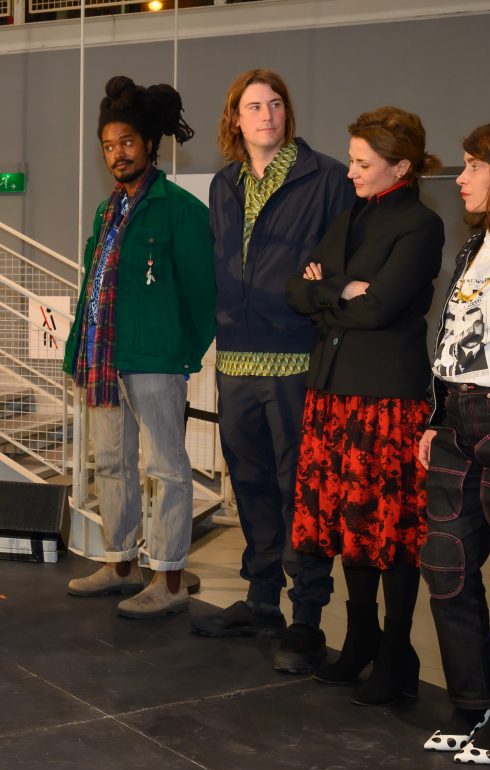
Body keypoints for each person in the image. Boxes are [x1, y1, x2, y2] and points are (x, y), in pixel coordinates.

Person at [189, 69, 355, 674]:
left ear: (287, 114)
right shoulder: (223, 183)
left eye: (276, 104)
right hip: (234, 360)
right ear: (236, 119)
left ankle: (307, 619)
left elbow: (346, 264)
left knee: (301, 495)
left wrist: (323, 288)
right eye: (254, 106)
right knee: (251, 487)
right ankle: (261, 603)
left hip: (296, 361)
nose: (266, 115)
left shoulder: (327, 178)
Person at [284, 107, 444, 705]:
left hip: (387, 399)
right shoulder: (349, 214)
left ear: (400, 166)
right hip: (333, 391)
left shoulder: (421, 227)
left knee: (391, 531)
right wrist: (339, 291)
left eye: (362, 163)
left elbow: (378, 310)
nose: (349, 172)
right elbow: (296, 291)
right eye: (351, 159)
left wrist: (335, 295)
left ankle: (398, 652)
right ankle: (359, 641)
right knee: (349, 529)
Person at [64, 76, 215, 618]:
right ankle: (120, 562)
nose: (116, 154)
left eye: (126, 142)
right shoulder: (108, 212)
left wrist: (181, 352)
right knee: (110, 465)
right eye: (108, 145)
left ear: (150, 143)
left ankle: (169, 578)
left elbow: (203, 294)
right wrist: (76, 351)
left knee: (168, 469)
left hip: (154, 363)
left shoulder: (180, 210)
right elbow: (92, 288)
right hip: (103, 362)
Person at [418, 120, 490, 764]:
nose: (462, 177)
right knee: (445, 566)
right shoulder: (473, 246)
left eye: (475, 165)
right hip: (456, 420)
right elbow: (452, 341)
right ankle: (471, 702)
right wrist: (432, 415)